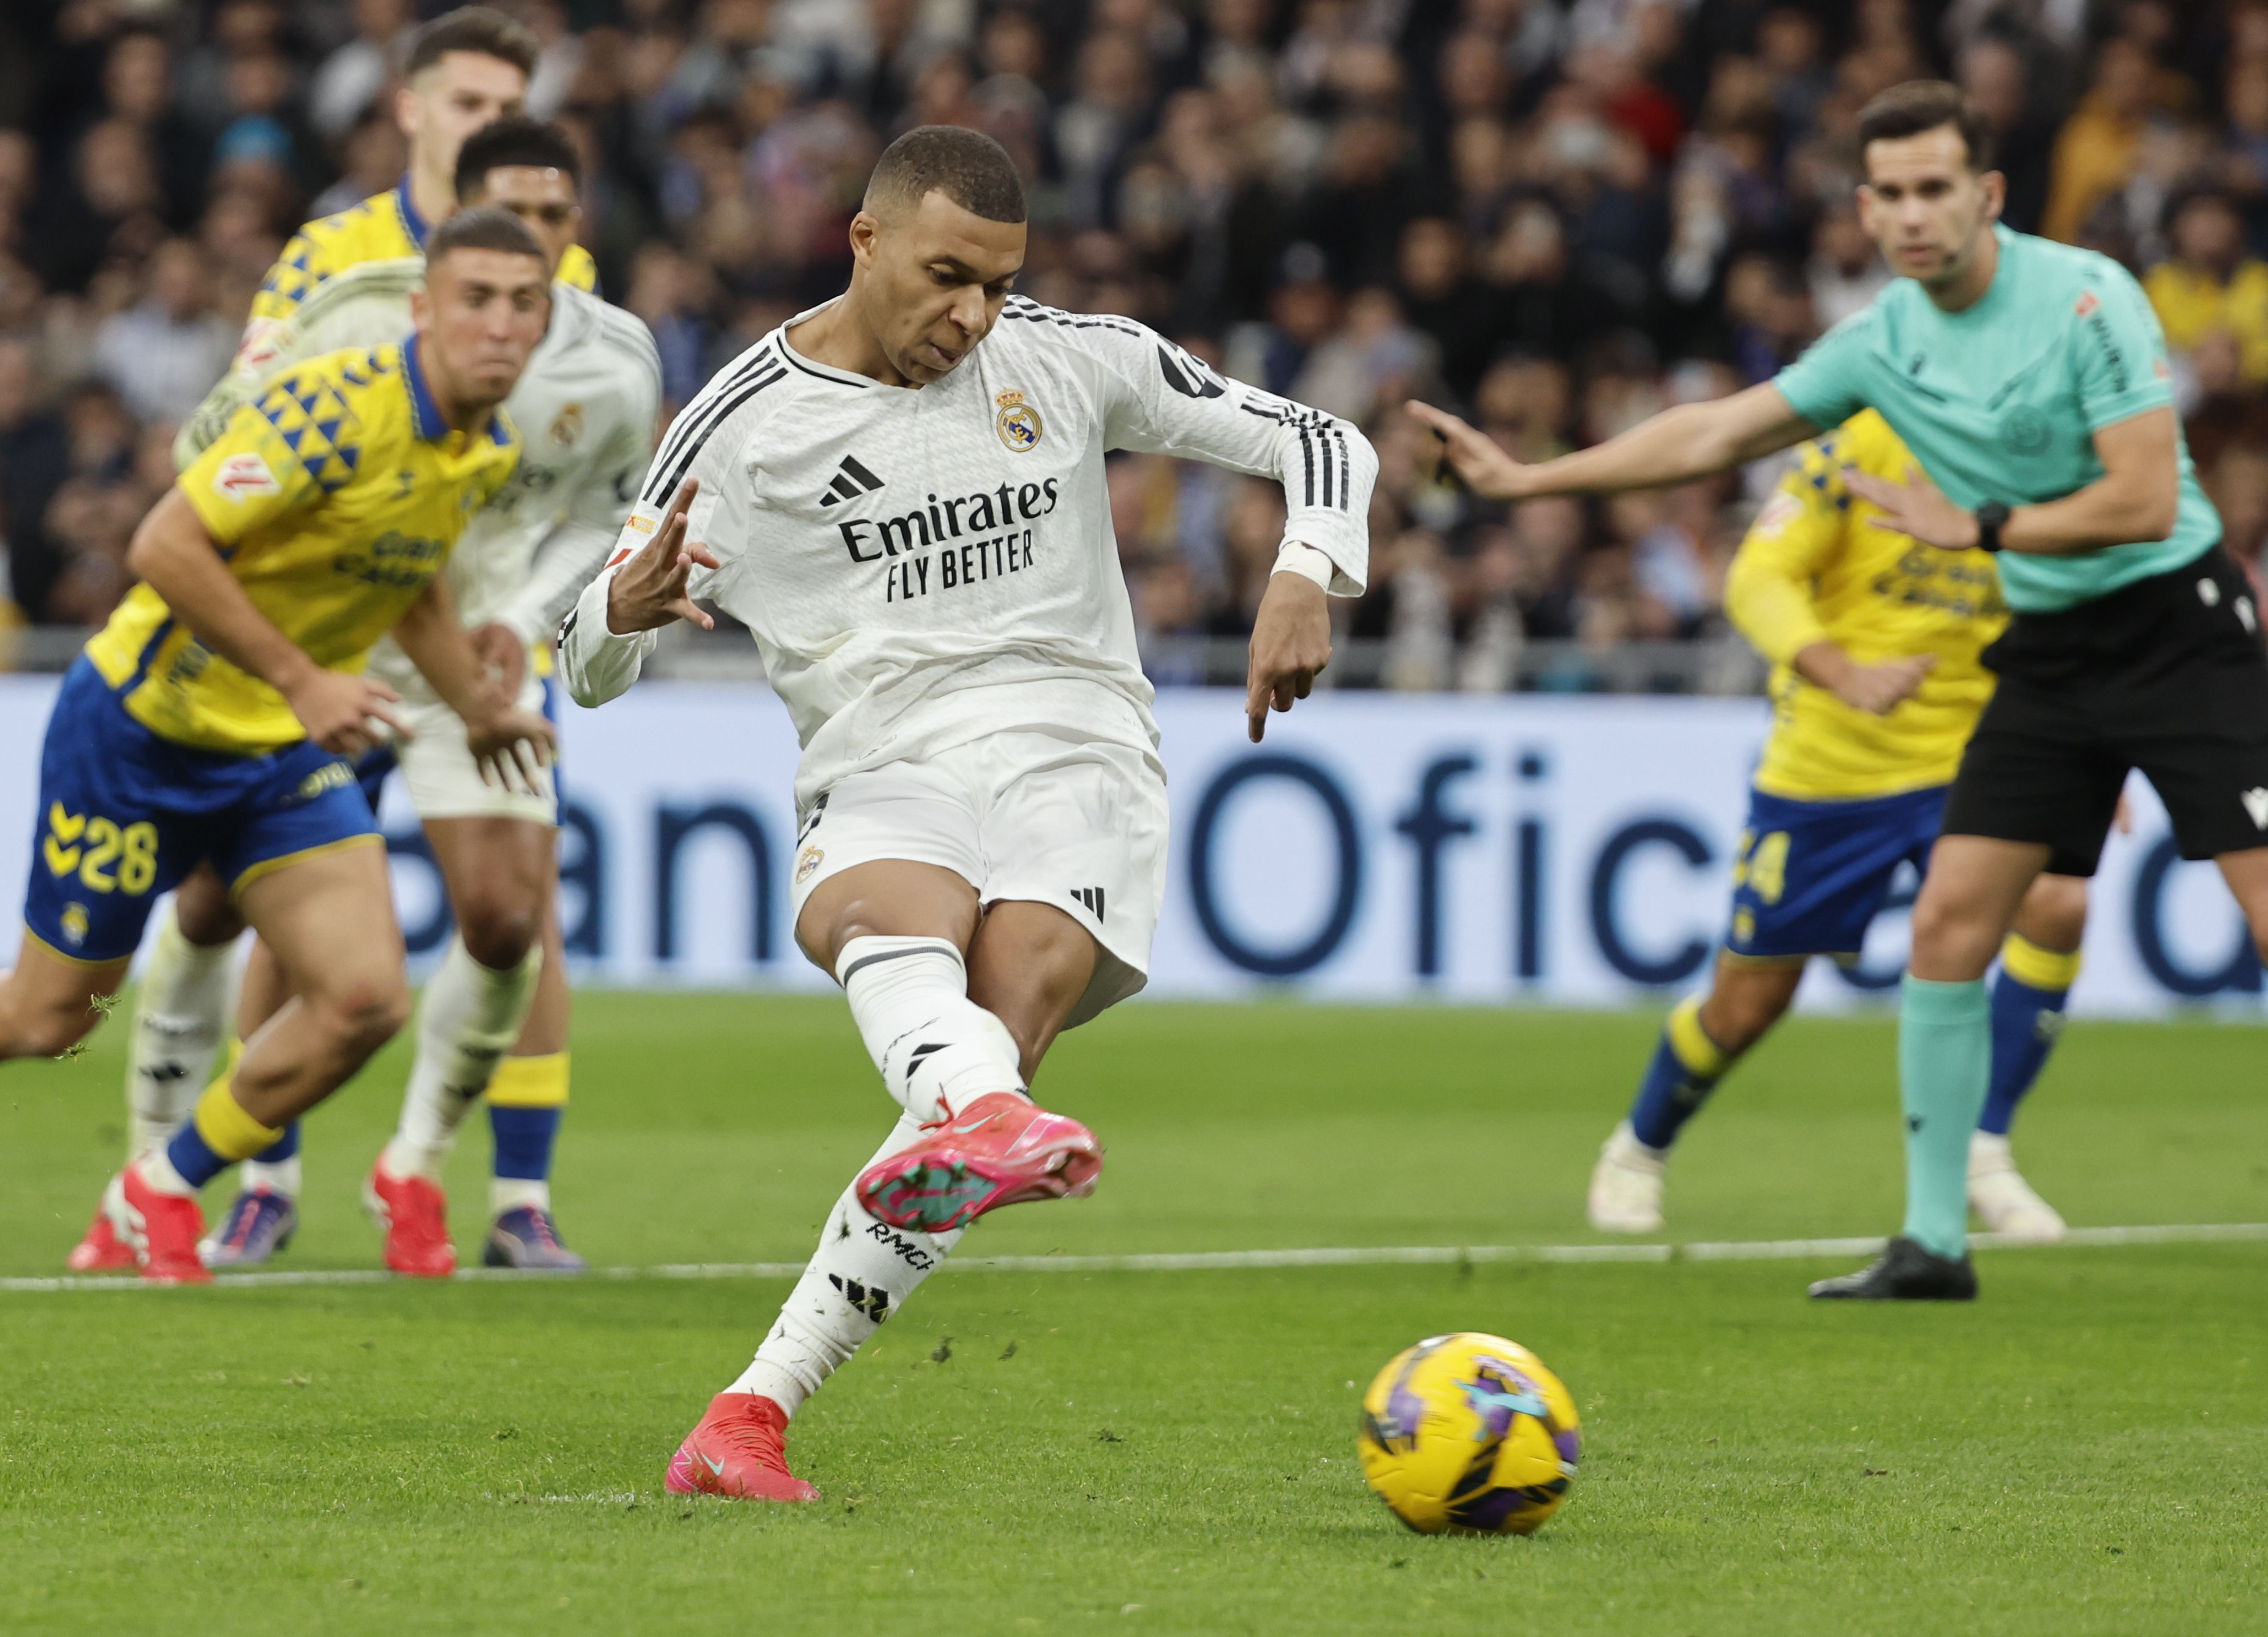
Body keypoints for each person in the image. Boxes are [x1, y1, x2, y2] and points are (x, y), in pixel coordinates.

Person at [563, 126, 1374, 1498]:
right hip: (880, 754)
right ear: (862, 240)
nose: (974, 316)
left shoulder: (1064, 357)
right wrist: (619, 614)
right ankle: (764, 1395)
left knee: (998, 1021)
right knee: (897, 928)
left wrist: (1308, 564)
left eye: (997, 283)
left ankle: (791, 1355)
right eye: (947, 277)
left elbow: (1318, 436)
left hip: (1077, 748)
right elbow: (587, 660)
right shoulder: (740, 426)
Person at [1412, 80, 2268, 1301]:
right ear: (1865, 210)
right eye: (1892, 195)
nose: (1915, 215)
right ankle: (1931, 1241)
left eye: (1937, 189)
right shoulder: (1883, 342)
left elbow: (2140, 497)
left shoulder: (2084, 294)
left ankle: (1964, 1179)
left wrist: (1974, 524)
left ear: (1986, 195)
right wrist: (1529, 481)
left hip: (2175, 627)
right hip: (2043, 652)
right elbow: (1711, 433)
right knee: (1946, 928)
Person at [0, 209, 558, 1283]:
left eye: (523, 302)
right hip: (138, 732)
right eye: (476, 298)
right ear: (424, 309)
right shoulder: (332, 411)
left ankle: (158, 1184)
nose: (499, 323)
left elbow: (408, 579)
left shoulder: (481, 447)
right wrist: (304, 677)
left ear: (546, 321)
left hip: (272, 757)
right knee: (48, 1014)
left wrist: (480, 709)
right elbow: (162, 540)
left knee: (363, 1002)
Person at [70, 118, 661, 1276]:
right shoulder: (349, 312)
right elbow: (215, 441)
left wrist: (529, 614)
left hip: (470, 663)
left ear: (575, 230)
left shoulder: (615, 360)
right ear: (451, 213)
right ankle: (239, 1175)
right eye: (508, 215)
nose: (530, 245)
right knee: (221, 911)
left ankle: (417, 1167)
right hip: (327, 644)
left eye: (552, 221)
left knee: (505, 916)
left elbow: (603, 510)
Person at [1586, 409, 2095, 1242]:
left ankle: (1982, 1147)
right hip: (1833, 765)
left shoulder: (2041, 446)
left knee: (2056, 903)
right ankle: (1640, 1147)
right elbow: (1757, 576)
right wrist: (1839, 670)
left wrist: (2088, 742)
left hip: (1978, 758)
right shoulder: (1859, 444)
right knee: (1747, 1004)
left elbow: (2070, 605)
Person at [237, 7, 596, 375]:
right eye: (468, 104)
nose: (491, 125)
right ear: (410, 111)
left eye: (509, 109)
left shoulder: (567, 268)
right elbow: (248, 401)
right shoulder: (325, 257)